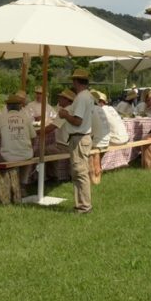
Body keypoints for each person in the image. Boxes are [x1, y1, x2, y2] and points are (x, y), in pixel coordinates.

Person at [56, 69, 94, 213]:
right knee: (79, 172)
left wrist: (65, 115)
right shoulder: (87, 96)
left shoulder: (82, 97)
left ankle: (84, 206)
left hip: (79, 137)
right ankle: (82, 205)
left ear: (76, 81)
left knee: (80, 172)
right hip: (81, 137)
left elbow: (78, 121)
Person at [0, 93, 36, 184]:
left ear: (7, 106)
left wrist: (3, 134)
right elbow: (34, 137)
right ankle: (23, 184)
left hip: (8, 156)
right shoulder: (26, 118)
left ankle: (6, 184)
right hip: (26, 155)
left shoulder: (2, 118)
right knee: (26, 156)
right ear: (20, 106)